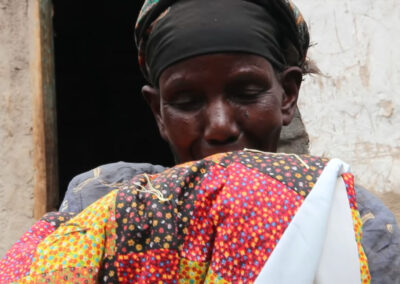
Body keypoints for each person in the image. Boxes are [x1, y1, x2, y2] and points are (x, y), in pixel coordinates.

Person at [0, 0, 398, 283]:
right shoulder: (103, 201)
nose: (220, 126)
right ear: (158, 112)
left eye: (245, 92)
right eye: (187, 101)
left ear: (288, 95)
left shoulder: (355, 222)